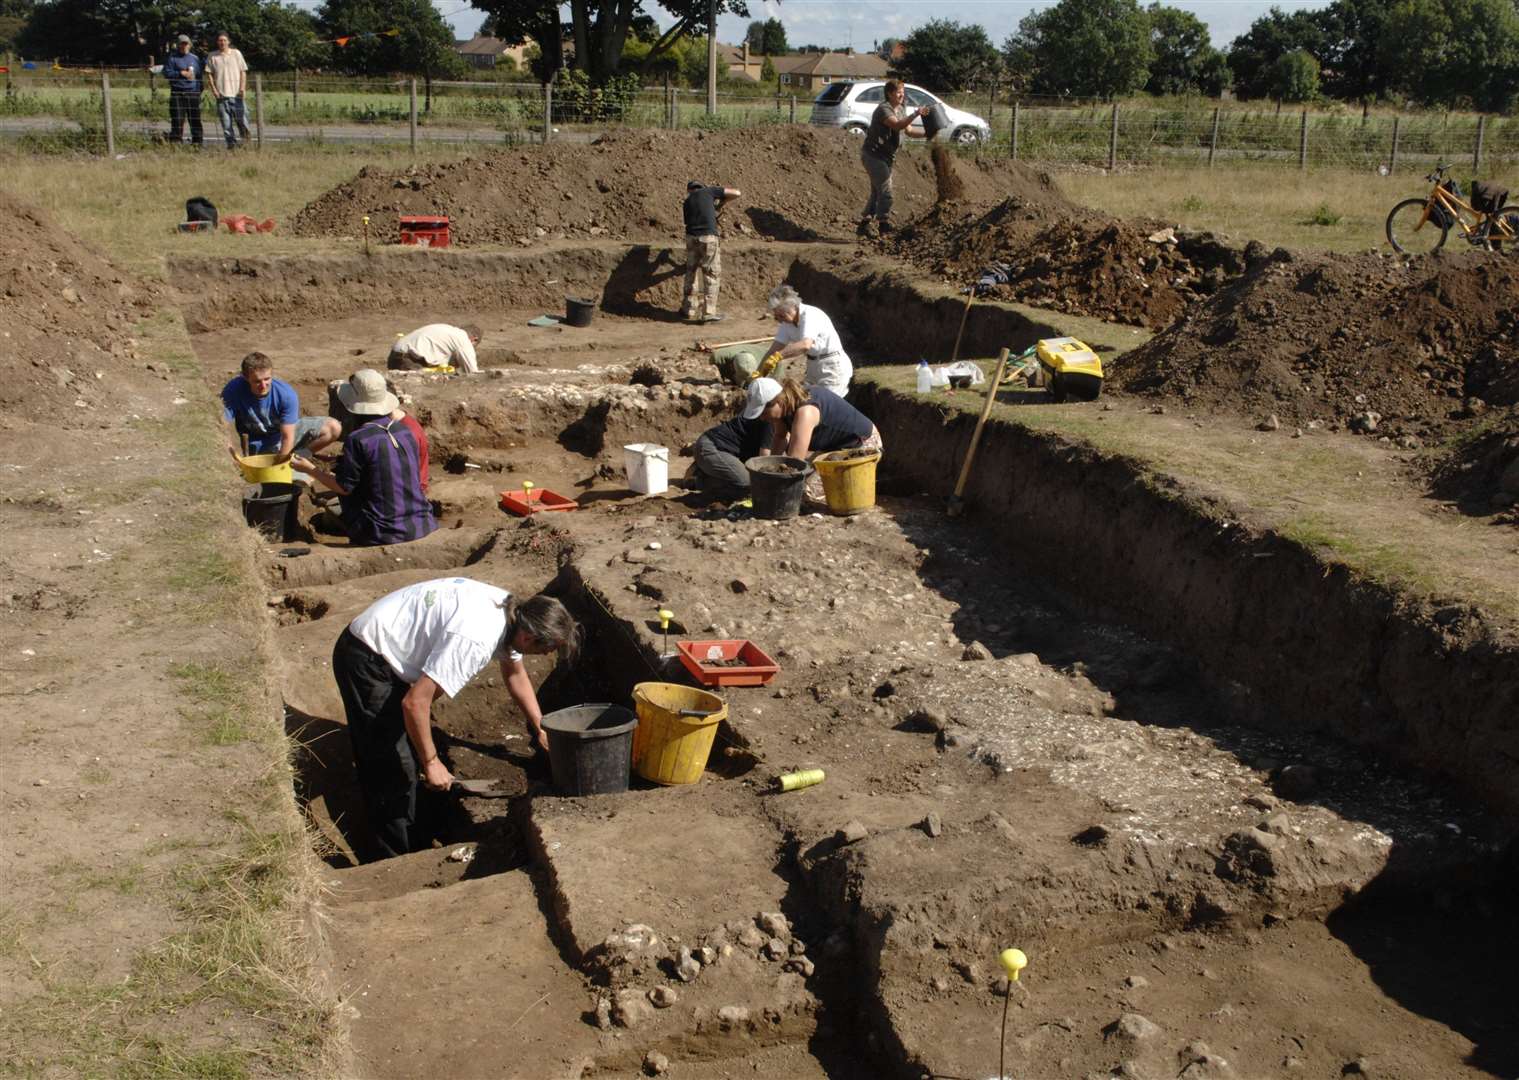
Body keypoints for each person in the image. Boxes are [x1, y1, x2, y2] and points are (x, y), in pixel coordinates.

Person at [332, 577, 580, 858]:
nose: (549, 654)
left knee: (408, 752)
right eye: (548, 648)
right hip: (368, 656)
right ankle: (395, 858)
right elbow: (415, 703)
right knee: (391, 767)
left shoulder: (514, 613)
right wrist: (432, 762)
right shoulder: (476, 639)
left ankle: (421, 830)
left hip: (391, 646)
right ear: (528, 637)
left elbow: (515, 674)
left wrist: (541, 727)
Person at [291, 370, 437, 547]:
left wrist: (309, 468)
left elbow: (344, 488)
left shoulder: (358, 439)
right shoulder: (405, 431)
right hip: (422, 524)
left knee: (335, 509)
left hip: (381, 532)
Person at [744, 376, 883, 502]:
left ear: (777, 401)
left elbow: (795, 461)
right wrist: (770, 467)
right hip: (833, 449)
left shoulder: (806, 412)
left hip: (862, 446)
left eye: (763, 412)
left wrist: (772, 485)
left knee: (807, 494)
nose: (762, 418)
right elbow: (780, 437)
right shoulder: (786, 404)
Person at [220, 351, 340, 465]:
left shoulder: (285, 394)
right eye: (257, 381)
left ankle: (298, 458)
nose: (263, 385)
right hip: (256, 445)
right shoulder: (233, 390)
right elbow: (221, 427)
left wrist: (280, 465)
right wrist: (233, 457)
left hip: (282, 435)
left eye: (267, 379)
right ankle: (287, 461)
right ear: (245, 378)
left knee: (333, 428)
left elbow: (288, 436)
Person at [860, 79, 929, 234]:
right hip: (873, 155)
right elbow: (898, 125)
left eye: (903, 92)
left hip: (886, 156)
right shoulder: (884, 109)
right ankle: (883, 223)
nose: (902, 95)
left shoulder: (901, 109)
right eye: (898, 92)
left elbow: (909, 131)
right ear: (889, 93)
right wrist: (916, 113)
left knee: (877, 191)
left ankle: (865, 223)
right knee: (886, 191)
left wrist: (927, 133)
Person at [762, 284, 853, 398]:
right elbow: (774, 349)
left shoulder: (810, 315)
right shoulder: (787, 323)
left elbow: (805, 345)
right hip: (813, 366)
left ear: (792, 307)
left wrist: (778, 357)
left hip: (832, 366)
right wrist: (759, 373)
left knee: (827, 404)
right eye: (776, 316)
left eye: (780, 315)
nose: (779, 320)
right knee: (808, 400)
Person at [681, 179, 741, 323]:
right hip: (708, 237)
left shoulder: (687, 202)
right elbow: (736, 193)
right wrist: (721, 203)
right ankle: (708, 312)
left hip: (691, 238)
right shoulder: (708, 191)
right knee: (711, 274)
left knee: (691, 272)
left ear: (689, 190)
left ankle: (689, 309)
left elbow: (688, 221)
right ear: (702, 187)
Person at [687, 413, 771, 500]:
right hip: (712, 448)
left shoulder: (773, 419)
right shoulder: (770, 420)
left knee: (748, 482)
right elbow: (764, 460)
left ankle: (705, 470)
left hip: (717, 447)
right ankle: (699, 480)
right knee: (748, 486)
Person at [151, 35, 203, 147]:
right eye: (182, 44)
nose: (184, 46)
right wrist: (180, 73)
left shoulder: (195, 58)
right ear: (178, 45)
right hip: (177, 93)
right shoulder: (172, 58)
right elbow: (167, 73)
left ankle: (197, 144)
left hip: (193, 94)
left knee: (195, 120)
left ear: (189, 45)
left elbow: (199, 76)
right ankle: (176, 145)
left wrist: (199, 91)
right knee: (177, 121)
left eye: (186, 44)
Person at [205, 32, 250, 150]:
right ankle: (232, 147)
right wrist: (214, 90)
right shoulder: (212, 56)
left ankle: (246, 144)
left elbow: (243, 71)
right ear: (217, 42)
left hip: (237, 95)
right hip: (221, 96)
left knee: (243, 122)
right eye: (220, 40)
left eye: (224, 40)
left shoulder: (236, 53)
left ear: (229, 42)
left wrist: (242, 88)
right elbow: (209, 74)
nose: (222, 42)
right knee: (226, 125)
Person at [388, 324, 483, 373]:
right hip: (408, 360)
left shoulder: (449, 331)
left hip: (395, 356)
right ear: (474, 339)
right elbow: (473, 373)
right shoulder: (463, 339)